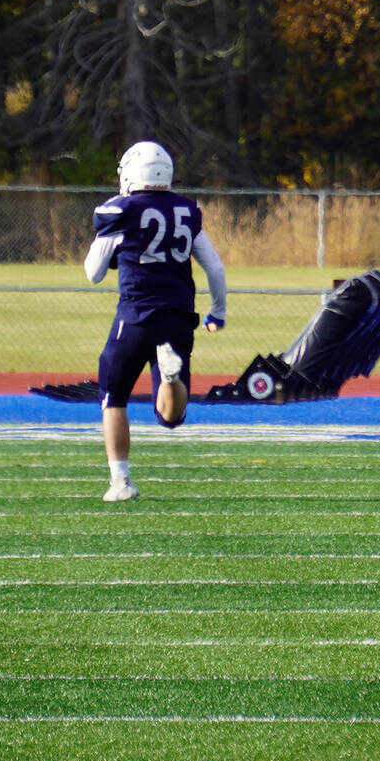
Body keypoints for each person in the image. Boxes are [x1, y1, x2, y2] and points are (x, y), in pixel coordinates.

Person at [84, 140, 227, 502]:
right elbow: (215, 267)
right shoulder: (185, 210)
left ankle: (121, 482)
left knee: (112, 396)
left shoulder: (121, 211)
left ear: (132, 173)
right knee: (170, 415)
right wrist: (218, 313)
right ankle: (170, 375)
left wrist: (117, 251)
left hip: (136, 315)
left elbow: (93, 273)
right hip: (179, 317)